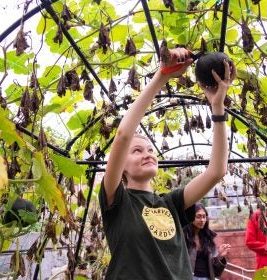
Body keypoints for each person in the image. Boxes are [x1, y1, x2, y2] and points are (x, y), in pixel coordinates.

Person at [99, 47, 237, 279]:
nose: (147, 154)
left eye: (150, 150)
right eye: (136, 151)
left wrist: (217, 106)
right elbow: (123, 135)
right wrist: (162, 76)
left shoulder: (171, 203)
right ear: (121, 164)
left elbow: (216, 172)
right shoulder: (117, 201)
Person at [183, 203, 231, 280]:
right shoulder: (183, 237)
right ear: (190, 217)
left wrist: (220, 256)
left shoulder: (209, 238)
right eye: (198, 217)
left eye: (204, 217)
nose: (202, 220)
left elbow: (216, 272)